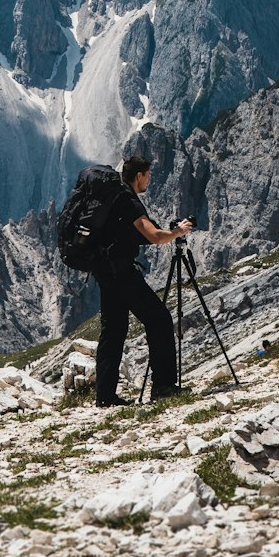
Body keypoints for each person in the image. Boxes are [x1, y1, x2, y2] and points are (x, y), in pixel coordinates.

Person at [93, 153, 194, 407]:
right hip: (122, 272)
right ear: (139, 176)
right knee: (159, 319)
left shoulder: (113, 197)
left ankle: (104, 396)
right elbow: (154, 237)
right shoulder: (129, 200)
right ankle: (163, 387)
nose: (149, 180)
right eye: (148, 175)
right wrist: (177, 232)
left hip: (105, 270)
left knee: (113, 330)